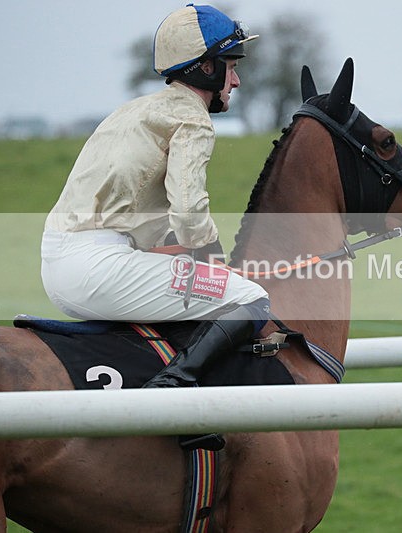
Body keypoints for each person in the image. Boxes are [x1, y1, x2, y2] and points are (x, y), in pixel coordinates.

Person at [41, 4, 269, 389]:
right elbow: (187, 210)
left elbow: (140, 218)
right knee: (252, 298)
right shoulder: (192, 118)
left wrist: (187, 254)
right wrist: (211, 257)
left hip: (61, 265)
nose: (237, 81)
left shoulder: (134, 111)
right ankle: (173, 385)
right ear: (207, 68)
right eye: (231, 66)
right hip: (99, 269)